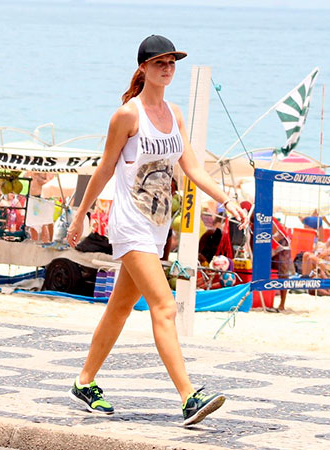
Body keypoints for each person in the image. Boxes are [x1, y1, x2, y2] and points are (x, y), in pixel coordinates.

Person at [65, 35, 247, 426]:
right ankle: (188, 397)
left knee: (120, 308)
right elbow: (104, 169)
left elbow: (194, 169)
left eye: (172, 62)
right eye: (160, 62)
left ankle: (84, 381)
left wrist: (227, 200)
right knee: (164, 306)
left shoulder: (175, 114)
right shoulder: (128, 116)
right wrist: (81, 215)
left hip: (158, 227)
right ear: (143, 68)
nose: (168, 68)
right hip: (130, 224)